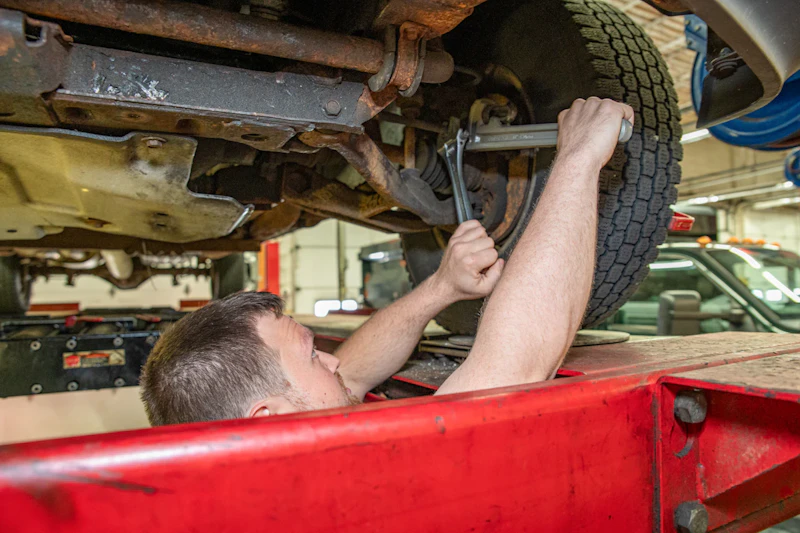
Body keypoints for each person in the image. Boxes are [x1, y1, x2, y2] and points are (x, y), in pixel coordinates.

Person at [140, 97, 635, 425]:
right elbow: (513, 370)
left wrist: (443, 286)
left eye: (317, 349)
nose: (334, 358)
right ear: (266, 416)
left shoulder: (285, 431)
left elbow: (350, 373)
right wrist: (579, 158)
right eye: (314, 355)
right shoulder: (348, 494)